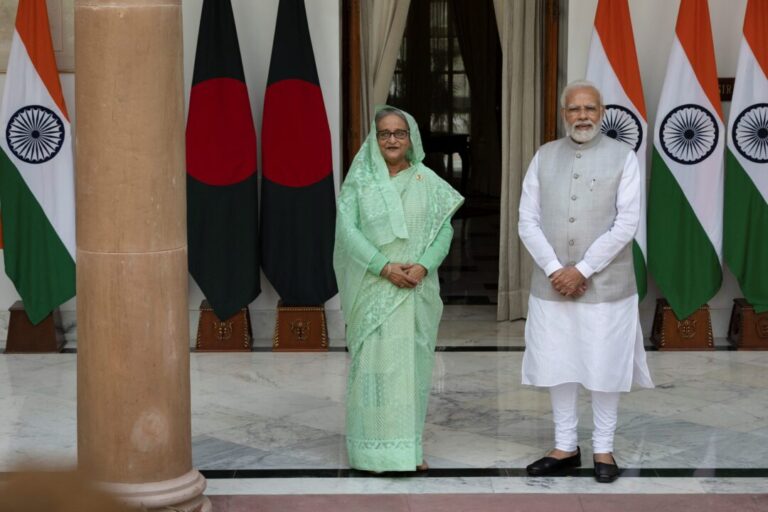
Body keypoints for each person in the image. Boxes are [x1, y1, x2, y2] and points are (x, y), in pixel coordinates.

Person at [518, 80, 653, 483]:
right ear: (564, 115)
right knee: (559, 362)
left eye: (589, 109)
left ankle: (603, 449)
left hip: (607, 285)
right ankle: (564, 446)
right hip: (551, 283)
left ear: (602, 112)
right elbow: (527, 220)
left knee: (604, 364)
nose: (582, 116)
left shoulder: (623, 157)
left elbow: (626, 223)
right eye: (574, 109)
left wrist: (583, 270)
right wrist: (556, 268)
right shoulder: (544, 156)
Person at [334, 106, 463, 473]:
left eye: (399, 133)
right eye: (384, 133)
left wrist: (422, 267)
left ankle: (407, 450)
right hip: (373, 289)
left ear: (411, 139)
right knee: (372, 374)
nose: (392, 139)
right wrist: (383, 266)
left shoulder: (428, 181)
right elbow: (348, 233)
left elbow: (444, 231)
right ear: (374, 140)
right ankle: (369, 451)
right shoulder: (360, 183)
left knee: (411, 373)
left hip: (415, 291)